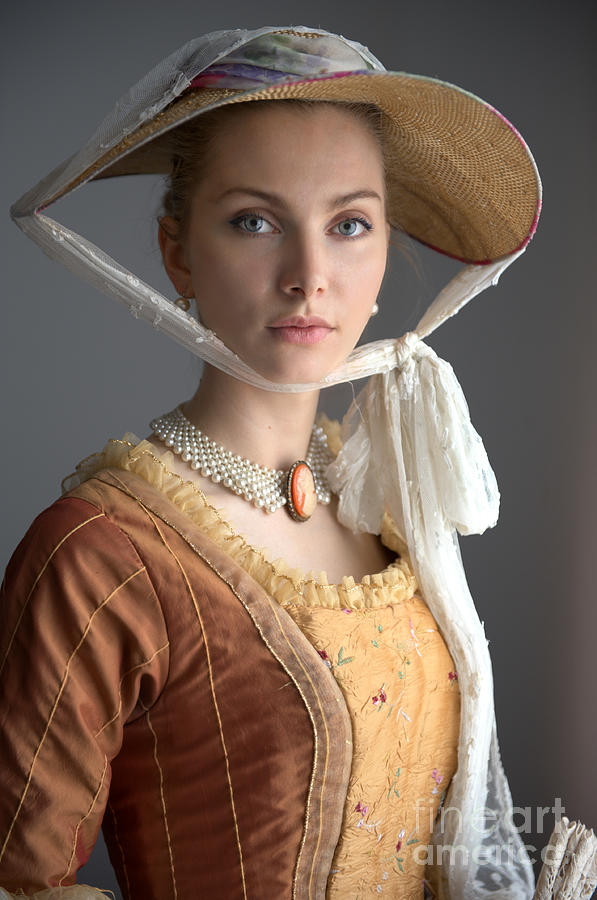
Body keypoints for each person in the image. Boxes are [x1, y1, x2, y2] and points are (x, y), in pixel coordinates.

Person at [1, 23, 595, 900]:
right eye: (254, 221)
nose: (310, 274)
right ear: (177, 254)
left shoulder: (388, 506)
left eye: (350, 223)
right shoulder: (102, 555)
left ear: (387, 249)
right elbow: (19, 877)